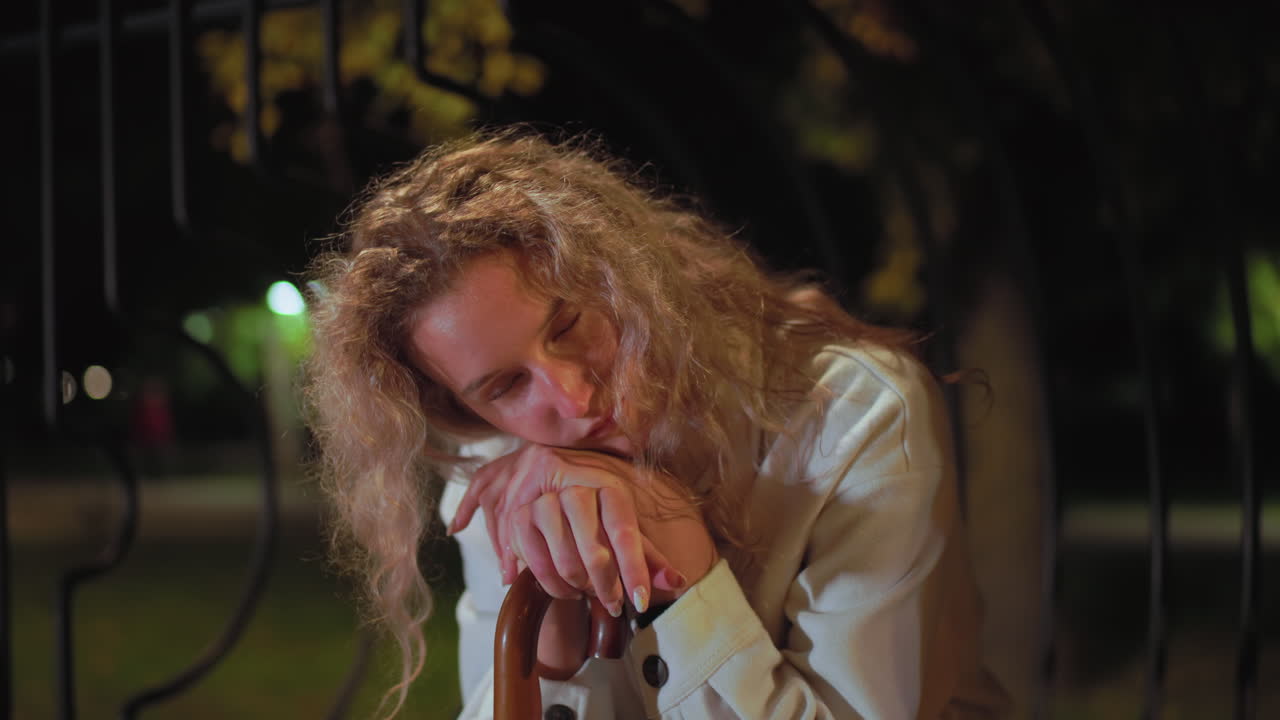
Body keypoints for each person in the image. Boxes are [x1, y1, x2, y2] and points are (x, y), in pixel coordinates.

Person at [305, 129, 1010, 719]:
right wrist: (549, 653)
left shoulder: (853, 414)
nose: (574, 396)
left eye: (571, 325)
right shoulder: (498, 476)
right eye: (507, 385)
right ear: (465, 410)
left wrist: (688, 577)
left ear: (623, 277)